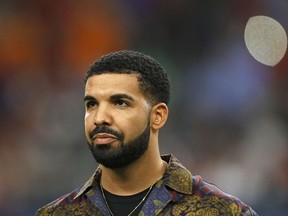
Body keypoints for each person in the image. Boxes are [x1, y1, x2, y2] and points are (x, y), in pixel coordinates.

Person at [35, 50, 258, 216]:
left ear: (157, 116)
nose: (100, 117)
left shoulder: (222, 212)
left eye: (120, 103)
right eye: (91, 104)